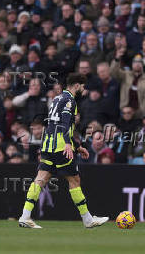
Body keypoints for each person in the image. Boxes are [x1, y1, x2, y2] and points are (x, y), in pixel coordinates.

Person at [18, 73, 109, 229]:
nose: (84, 89)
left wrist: (77, 146)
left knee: (41, 179)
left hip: (47, 145)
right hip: (61, 148)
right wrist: (68, 144)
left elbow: (55, 125)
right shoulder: (69, 101)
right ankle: (88, 220)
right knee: (74, 181)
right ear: (76, 85)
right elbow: (65, 124)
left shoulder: (57, 98)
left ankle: (25, 216)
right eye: (83, 86)